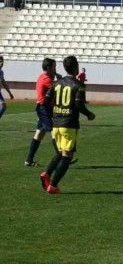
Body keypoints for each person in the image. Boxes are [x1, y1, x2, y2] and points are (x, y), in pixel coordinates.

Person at [39, 56, 95, 194]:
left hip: (56, 125)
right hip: (68, 124)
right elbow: (79, 105)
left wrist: (55, 113)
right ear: (76, 67)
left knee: (60, 153)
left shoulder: (56, 83)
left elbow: (45, 102)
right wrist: (89, 114)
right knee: (67, 156)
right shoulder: (78, 85)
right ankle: (53, 185)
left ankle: (46, 173)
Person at [25, 58, 61, 167]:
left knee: (39, 134)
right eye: (54, 67)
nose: (56, 69)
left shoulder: (44, 76)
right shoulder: (47, 79)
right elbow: (57, 91)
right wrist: (60, 80)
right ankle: (62, 157)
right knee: (54, 130)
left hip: (43, 108)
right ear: (49, 68)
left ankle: (29, 160)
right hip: (43, 108)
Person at [0, 56, 15, 120]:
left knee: (4, 106)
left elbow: (4, 83)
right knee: (3, 105)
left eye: (2, 61)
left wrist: (10, 93)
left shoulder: (1, 72)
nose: (1, 63)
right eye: (0, 61)